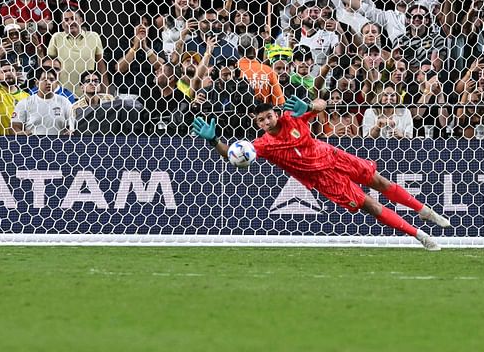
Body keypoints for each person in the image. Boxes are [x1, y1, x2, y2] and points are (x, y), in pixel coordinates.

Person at [190, 98, 451, 251]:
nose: (266, 122)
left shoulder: (294, 118)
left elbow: (322, 104)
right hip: (323, 179)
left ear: (275, 113)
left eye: (268, 116)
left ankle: (424, 211)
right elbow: (235, 157)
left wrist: (313, 103)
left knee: (379, 181)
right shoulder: (261, 146)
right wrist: (214, 141)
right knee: (370, 205)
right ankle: (420, 236)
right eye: (261, 121)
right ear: (256, 123)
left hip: (332, 155)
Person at [11, 69, 73, 135]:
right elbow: (14, 126)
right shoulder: (25, 103)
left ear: (56, 83)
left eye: (52, 80)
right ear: (37, 83)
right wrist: (21, 134)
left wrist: (69, 132)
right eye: (44, 79)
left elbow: (71, 127)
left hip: (57, 143)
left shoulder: (65, 102)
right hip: (33, 144)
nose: (48, 83)